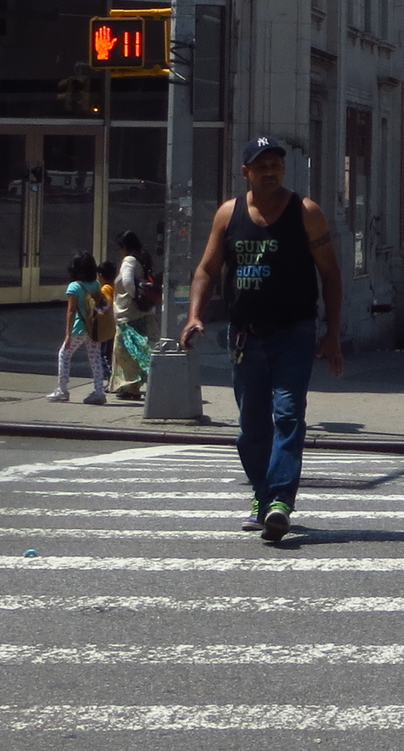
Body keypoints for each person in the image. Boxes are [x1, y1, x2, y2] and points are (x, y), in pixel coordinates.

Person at [181, 138, 346, 544]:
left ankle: (280, 504)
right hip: (244, 336)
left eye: (277, 164)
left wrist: (333, 335)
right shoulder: (228, 214)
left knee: (288, 416)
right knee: (251, 426)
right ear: (246, 172)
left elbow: (331, 274)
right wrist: (195, 315)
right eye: (261, 165)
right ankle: (261, 496)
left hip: (294, 333)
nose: (270, 171)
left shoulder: (306, 213)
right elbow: (206, 269)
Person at [47, 252, 110, 406]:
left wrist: (67, 334)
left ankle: (62, 389)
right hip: (93, 328)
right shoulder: (95, 284)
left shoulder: (74, 287)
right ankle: (99, 392)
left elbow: (71, 311)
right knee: (95, 358)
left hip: (78, 328)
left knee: (64, 354)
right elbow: (102, 303)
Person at [108, 229, 154, 401]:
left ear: (125, 247)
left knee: (124, 353)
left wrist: (136, 298)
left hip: (128, 314)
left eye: (120, 247)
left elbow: (127, 281)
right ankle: (132, 385)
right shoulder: (142, 259)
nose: (119, 251)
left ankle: (131, 387)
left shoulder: (129, 260)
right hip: (140, 314)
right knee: (137, 350)